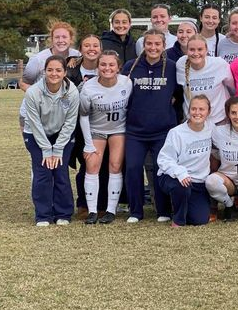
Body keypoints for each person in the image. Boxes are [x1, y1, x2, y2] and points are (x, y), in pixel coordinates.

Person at [122, 29, 181, 223]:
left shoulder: (172, 67)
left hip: (162, 130)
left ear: (164, 46)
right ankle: (135, 211)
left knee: (159, 168)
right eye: (149, 43)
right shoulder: (131, 66)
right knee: (133, 168)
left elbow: (180, 94)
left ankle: (163, 210)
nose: (153, 47)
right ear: (143, 45)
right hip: (135, 131)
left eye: (157, 44)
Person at [23, 55, 79, 226]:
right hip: (35, 133)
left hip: (61, 133)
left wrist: (58, 148)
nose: (54, 74)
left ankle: (63, 213)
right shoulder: (33, 92)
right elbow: (35, 123)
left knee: (60, 171)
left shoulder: (72, 92)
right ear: (44, 72)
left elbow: (70, 122)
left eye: (58, 70)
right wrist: (47, 150)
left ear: (64, 72)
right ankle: (43, 215)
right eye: (50, 70)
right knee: (43, 172)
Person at [79, 51, 132, 224]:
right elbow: (83, 116)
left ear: (118, 67)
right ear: (97, 67)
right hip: (96, 130)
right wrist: (88, 143)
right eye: (103, 64)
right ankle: (92, 211)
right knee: (92, 166)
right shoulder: (89, 87)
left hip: (118, 129)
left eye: (111, 65)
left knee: (115, 165)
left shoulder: (127, 83)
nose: (107, 68)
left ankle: (111, 210)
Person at [157, 95, 214, 227]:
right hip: (173, 177)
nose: (197, 113)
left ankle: (182, 203)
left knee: (200, 220)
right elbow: (164, 159)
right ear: (189, 110)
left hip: (198, 182)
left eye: (201, 109)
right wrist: (180, 173)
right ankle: (178, 220)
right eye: (193, 109)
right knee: (182, 187)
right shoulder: (176, 133)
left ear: (208, 112)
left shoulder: (211, 129)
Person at [66, 35, 102, 216]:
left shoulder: (106, 66)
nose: (91, 49)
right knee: (85, 163)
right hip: (79, 124)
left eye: (95, 45)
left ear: (101, 49)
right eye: (87, 45)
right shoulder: (71, 69)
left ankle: (101, 204)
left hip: (102, 123)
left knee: (102, 165)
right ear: (80, 49)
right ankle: (83, 203)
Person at [176, 35, 234, 124]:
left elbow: (232, 87)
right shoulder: (181, 64)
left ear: (206, 50)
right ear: (187, 51)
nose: (196, 53)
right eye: (192, 49)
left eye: (200, 49)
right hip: (193, 121)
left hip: (219, 120)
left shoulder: (219, 64)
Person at [20, 21, 80, 92]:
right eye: (57, 37)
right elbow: (23, 83)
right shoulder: (38, 59)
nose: (60, 40)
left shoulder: (77, 55)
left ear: (71, 39)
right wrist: (39, 95)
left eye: (64, 37)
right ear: (52, 39)